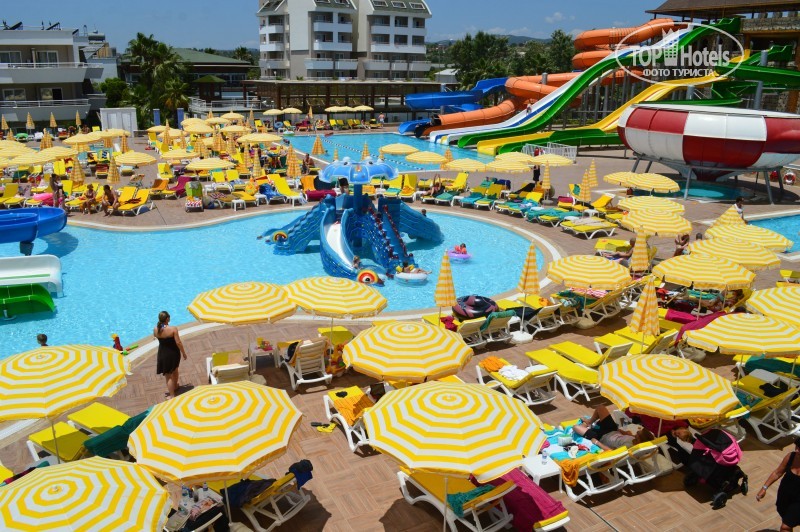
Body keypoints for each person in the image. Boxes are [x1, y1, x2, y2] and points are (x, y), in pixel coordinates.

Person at [757, 437, 800, 531]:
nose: (797, 450)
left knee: (785, 527)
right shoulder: (791, 456)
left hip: (798, 501)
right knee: (786, 519)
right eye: (797, 446)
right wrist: (764, 488)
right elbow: (777, 472)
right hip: (784, 496)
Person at [572, 405, 654, 451]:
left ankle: (585, 424)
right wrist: (623, 432)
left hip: (600, 437)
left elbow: (612, 452)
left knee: (575, 427)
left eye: (638, 434)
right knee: (601, 408)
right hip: (613, 430)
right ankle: (589, 422)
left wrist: (597, 443)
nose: (636, 433)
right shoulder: (635, 440)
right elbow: (626, 436)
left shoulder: (628, 447)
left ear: (640, 440)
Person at [154, 311, 187, 399]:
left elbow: (156, 336)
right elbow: (178, 342)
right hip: (173, 353)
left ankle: (174, 389)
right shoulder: (173, 329)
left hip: (163, 353)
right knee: (175, 370)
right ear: (167, 319)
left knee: (168, 376)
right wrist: (183, 353)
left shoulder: (155, 329)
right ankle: (172, 394)